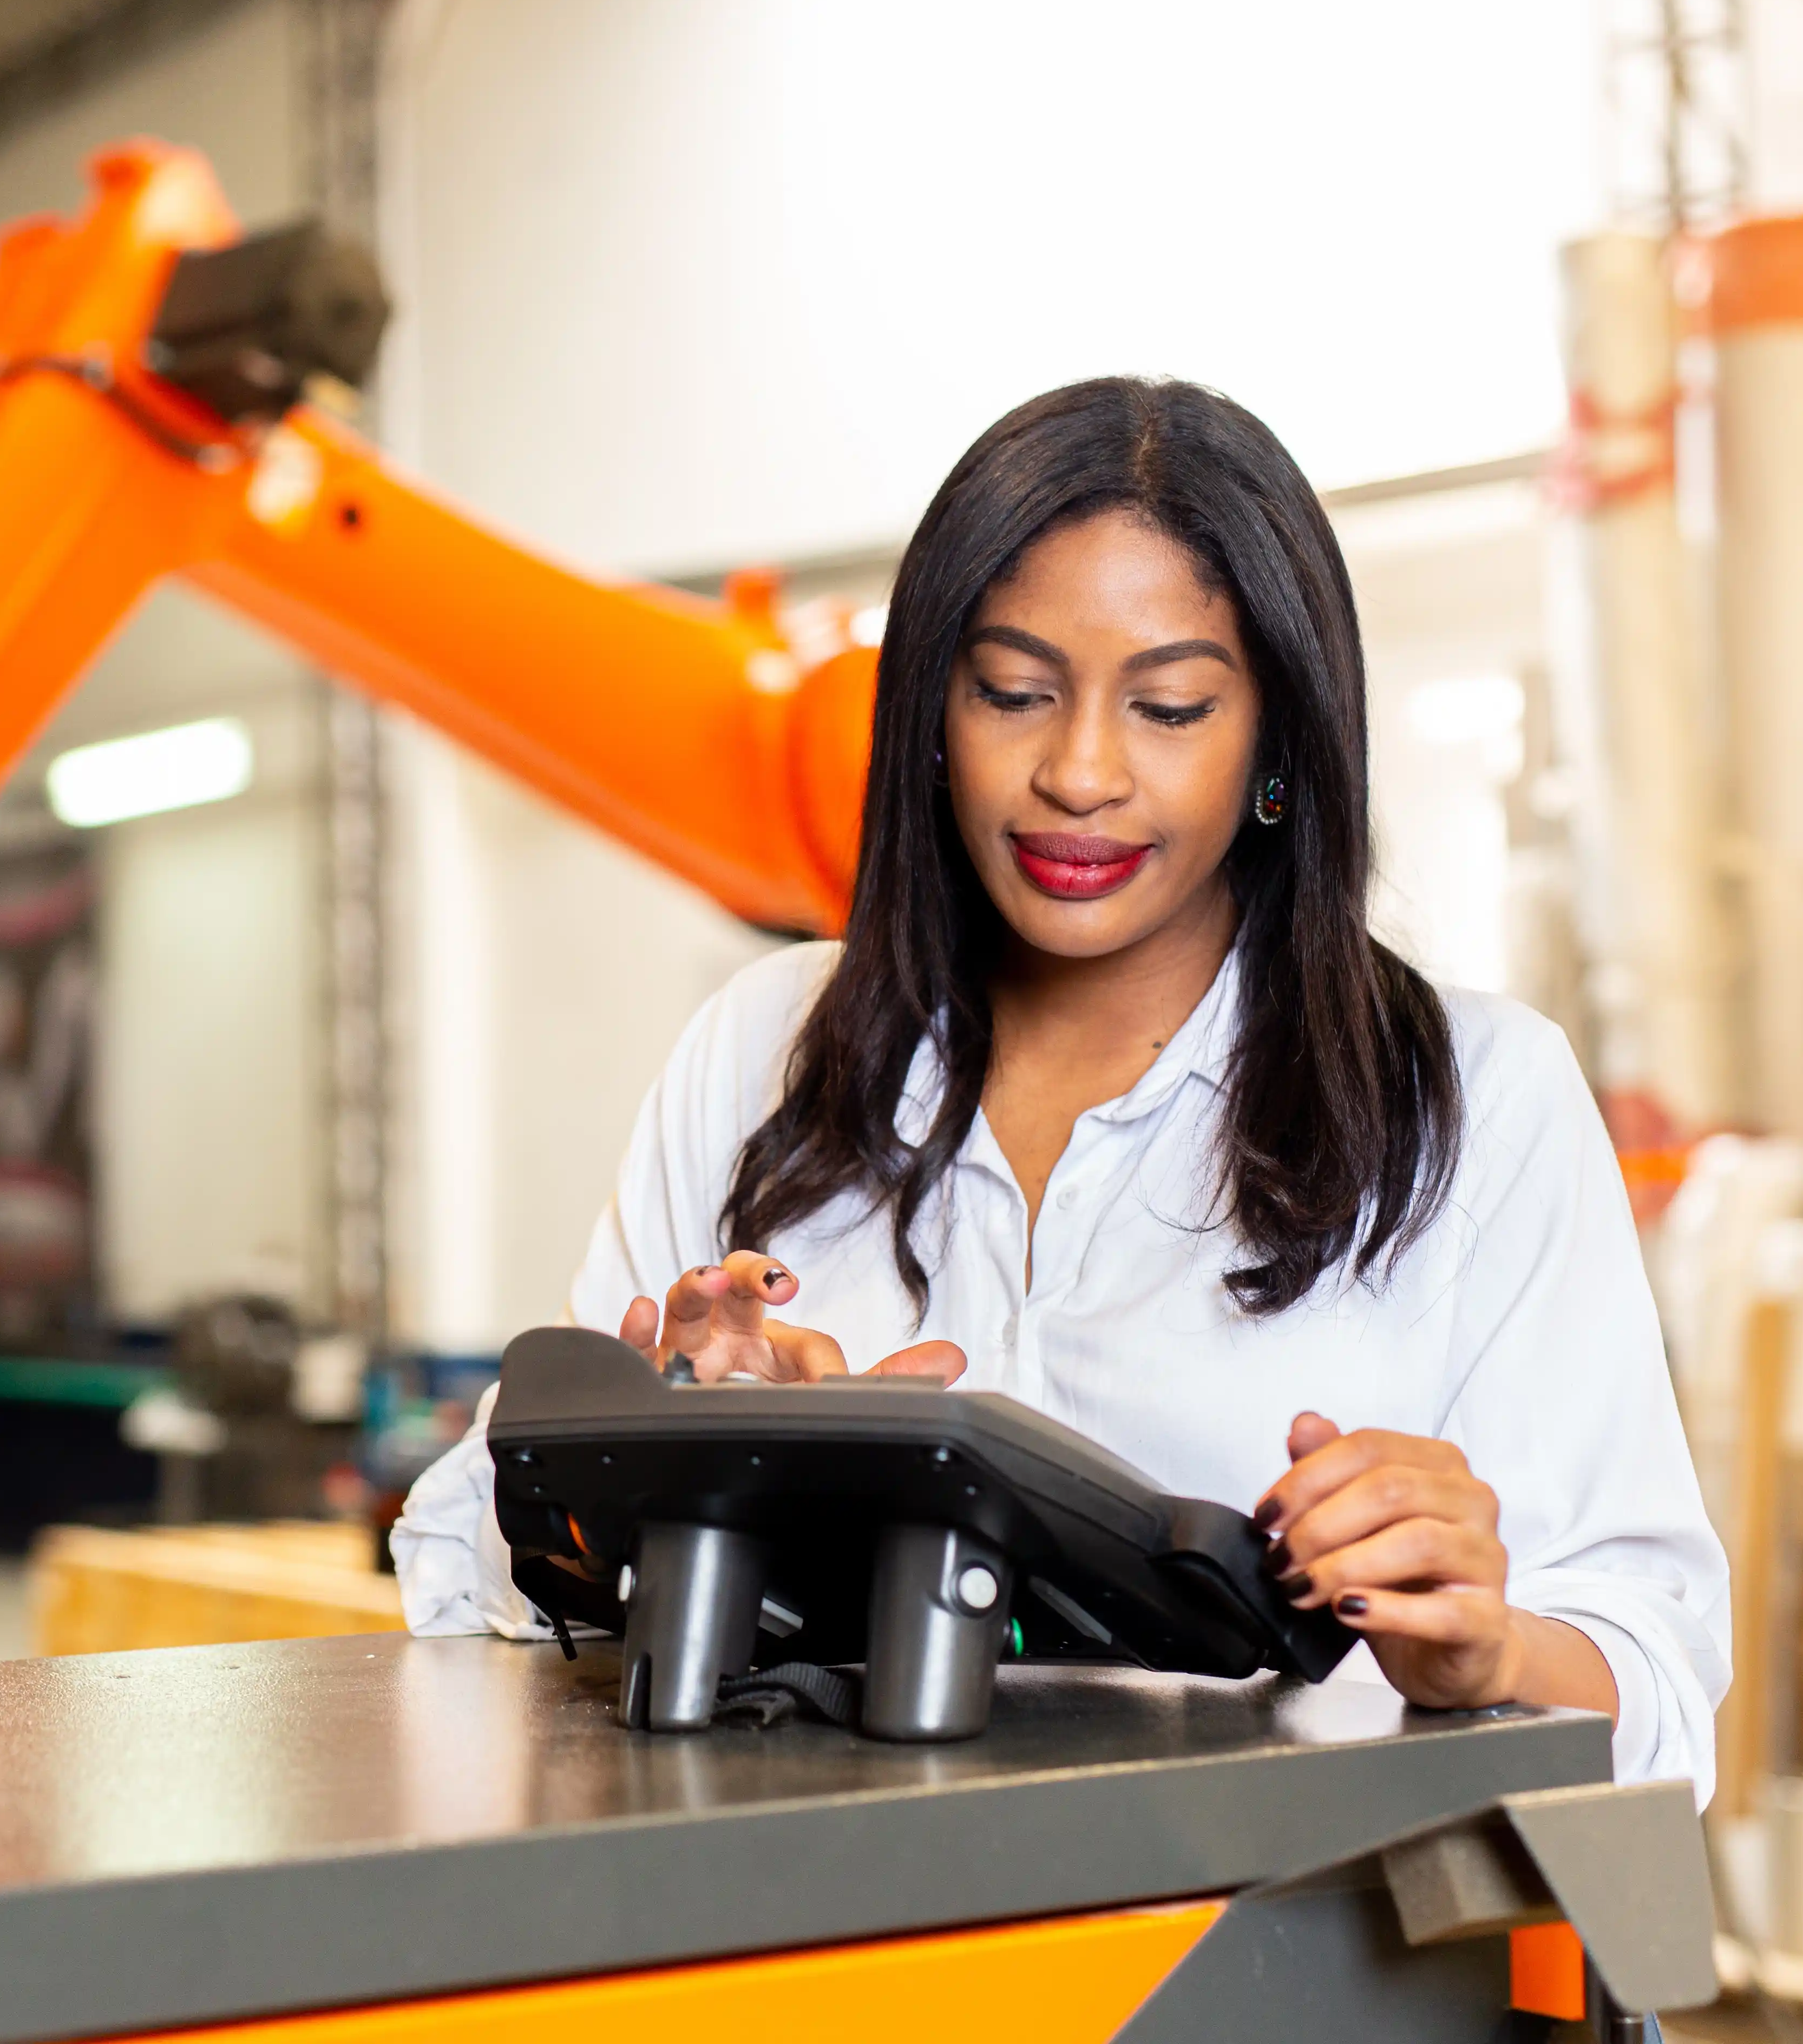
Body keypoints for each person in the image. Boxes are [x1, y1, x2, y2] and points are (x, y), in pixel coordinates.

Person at [395, 378, 1729, 1801]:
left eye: (1169, 707)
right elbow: (454, 1568)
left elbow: (1659, 1693)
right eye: (1014, 692)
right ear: (929, 709)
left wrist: (1487, 1652)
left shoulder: (1473, 1102)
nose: (1078, 772)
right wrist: (672, 1459)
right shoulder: (766, 1049)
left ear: (1278, 744)